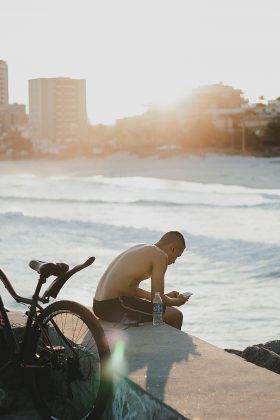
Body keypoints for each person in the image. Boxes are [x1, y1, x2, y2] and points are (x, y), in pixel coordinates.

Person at [93, 231, 190, 330]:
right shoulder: (160, 256)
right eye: (177, 256)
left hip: (98, 305)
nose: (174, 261)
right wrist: (177, 301)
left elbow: (131, 289)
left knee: (161, 311)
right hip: (114, 306)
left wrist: (165, 297)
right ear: (172, 249)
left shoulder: (142, 247)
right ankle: (167, 345)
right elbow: (157, 300)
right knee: (176, 315)